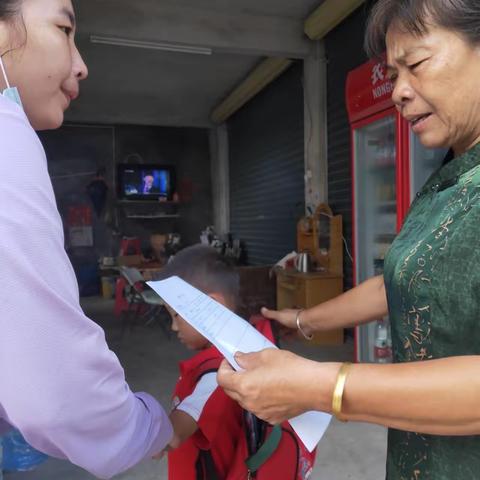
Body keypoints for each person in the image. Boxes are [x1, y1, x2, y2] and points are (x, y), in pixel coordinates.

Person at [217, 1, 480, 479]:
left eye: (416, 64)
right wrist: (302, 319)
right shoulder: (449, 176)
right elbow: (403, 280)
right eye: (393, 72)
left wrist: (320, 386)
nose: (399, 92)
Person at [0, 1, 172, 479]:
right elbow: (59, 399)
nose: (81, 64)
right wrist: (152, 424)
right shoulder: (5, 137)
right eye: (63, 29)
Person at [156, 245, 316, 479]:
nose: (173, 326)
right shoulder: (249, 343)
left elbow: (174, 433)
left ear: (212, 307)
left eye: (176, 315)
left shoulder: (217, 374)